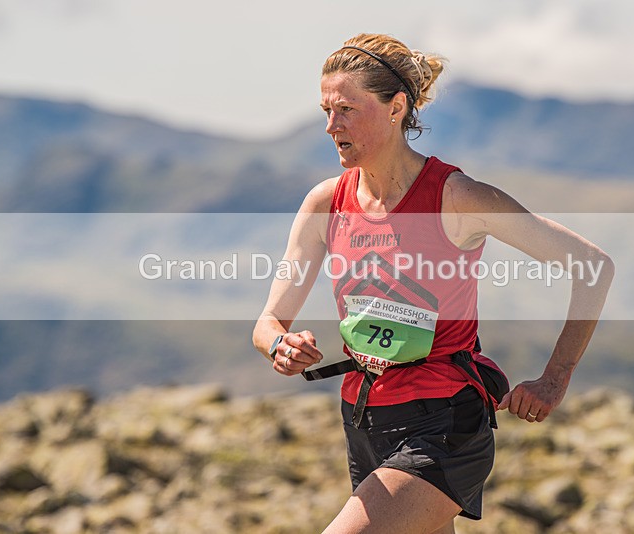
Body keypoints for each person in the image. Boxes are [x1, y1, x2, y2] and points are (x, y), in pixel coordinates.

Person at [253, 33, 614, 534]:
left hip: (443, 420)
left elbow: (592, 265)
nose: (331, 125)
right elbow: (268, 321)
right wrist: (280, 345)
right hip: (364, 419)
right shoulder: (325, 203)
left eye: (346, 110)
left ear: (397, 107)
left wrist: (554, 380)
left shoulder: (458, 197)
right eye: (325, 111)